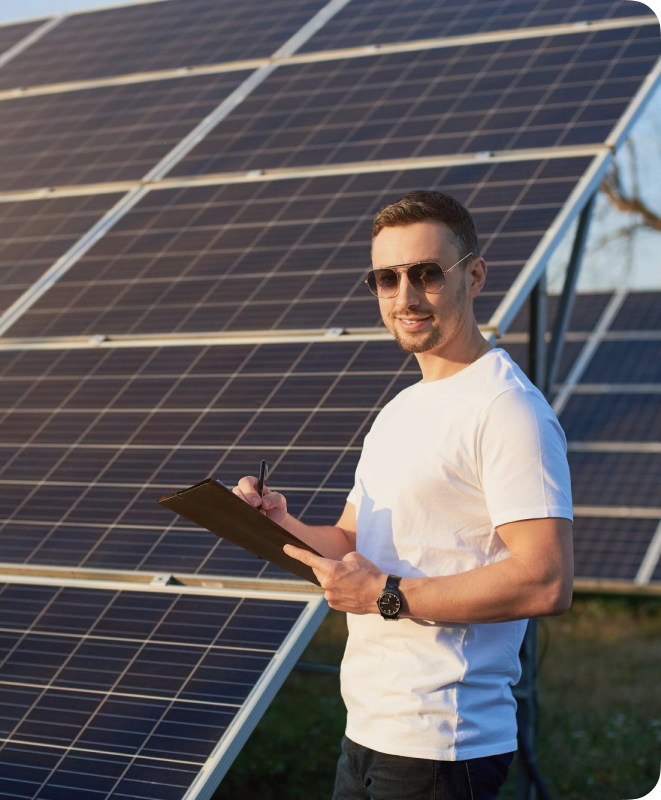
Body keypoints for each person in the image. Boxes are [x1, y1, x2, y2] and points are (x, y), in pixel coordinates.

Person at [232, 190, 574, 800]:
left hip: (445, 745)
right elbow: (348, 543)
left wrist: (387, 596)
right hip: (369, 728)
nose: (405, 296)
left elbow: (545, 580)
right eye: (387, 279)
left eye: (426, 274)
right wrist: (279, 522)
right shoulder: (399, 411)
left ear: (474, 275)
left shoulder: (507, 410)